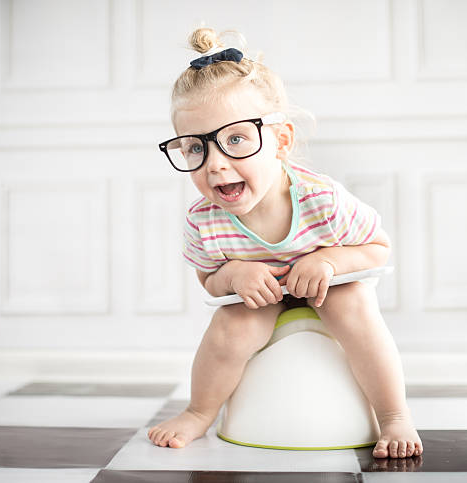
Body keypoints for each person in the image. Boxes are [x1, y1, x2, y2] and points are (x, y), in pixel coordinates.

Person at [148, 27, 423, 459]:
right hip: (261, 301)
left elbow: (378, 248)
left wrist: (330, 262)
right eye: (194, 149)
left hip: (328, 289)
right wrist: (234, 274)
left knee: (354, 306)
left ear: (281, 142)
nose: (216, 165)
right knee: (230, 328)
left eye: (235, 139)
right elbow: (208, 279)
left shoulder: (323, 200)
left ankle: (393, 415)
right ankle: (200, 411)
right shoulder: (204, 221)